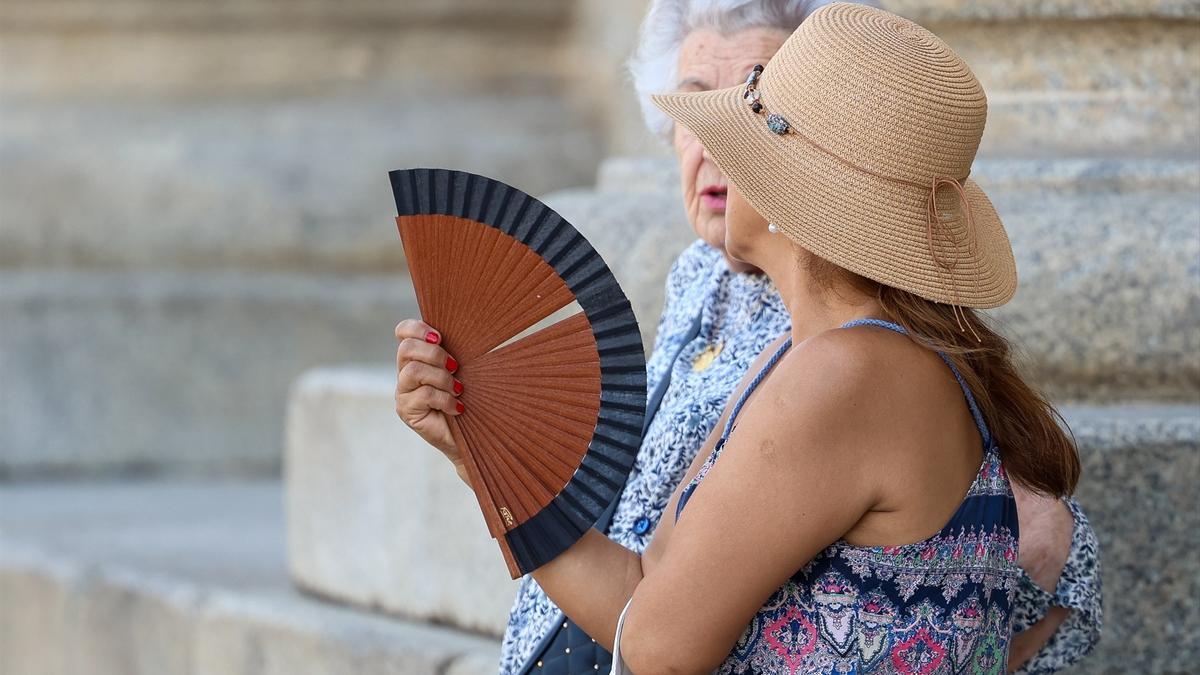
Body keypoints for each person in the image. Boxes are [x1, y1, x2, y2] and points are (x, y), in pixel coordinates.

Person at [392, 2, 1100, 673]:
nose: (715, 155)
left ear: (799, 191)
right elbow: (641, 593)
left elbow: (662, 649)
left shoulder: (849, 373)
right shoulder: (800, 359)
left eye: (741, 135)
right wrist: (478, 452)